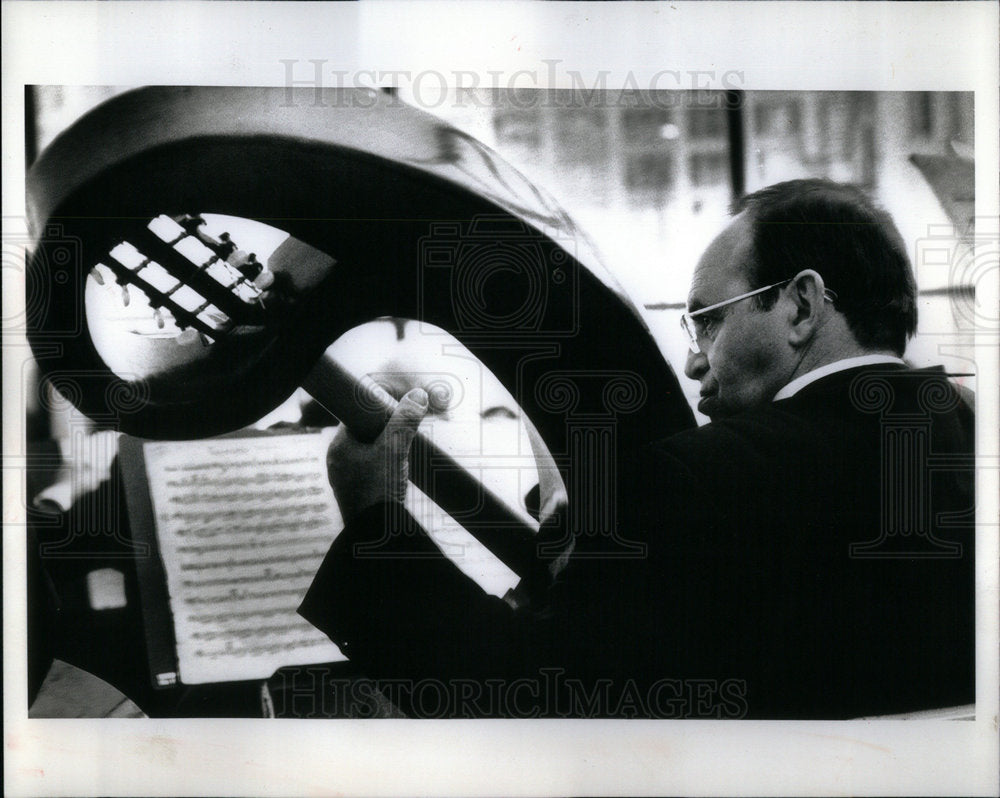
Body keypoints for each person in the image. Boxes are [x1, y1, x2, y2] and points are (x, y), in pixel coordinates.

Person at [299, 179, 975, 719]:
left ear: (800, 306)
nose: (692, 363)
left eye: (708, 320)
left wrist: (375, 521)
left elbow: (526, 703)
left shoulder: (695, 479)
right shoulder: (973, 438)